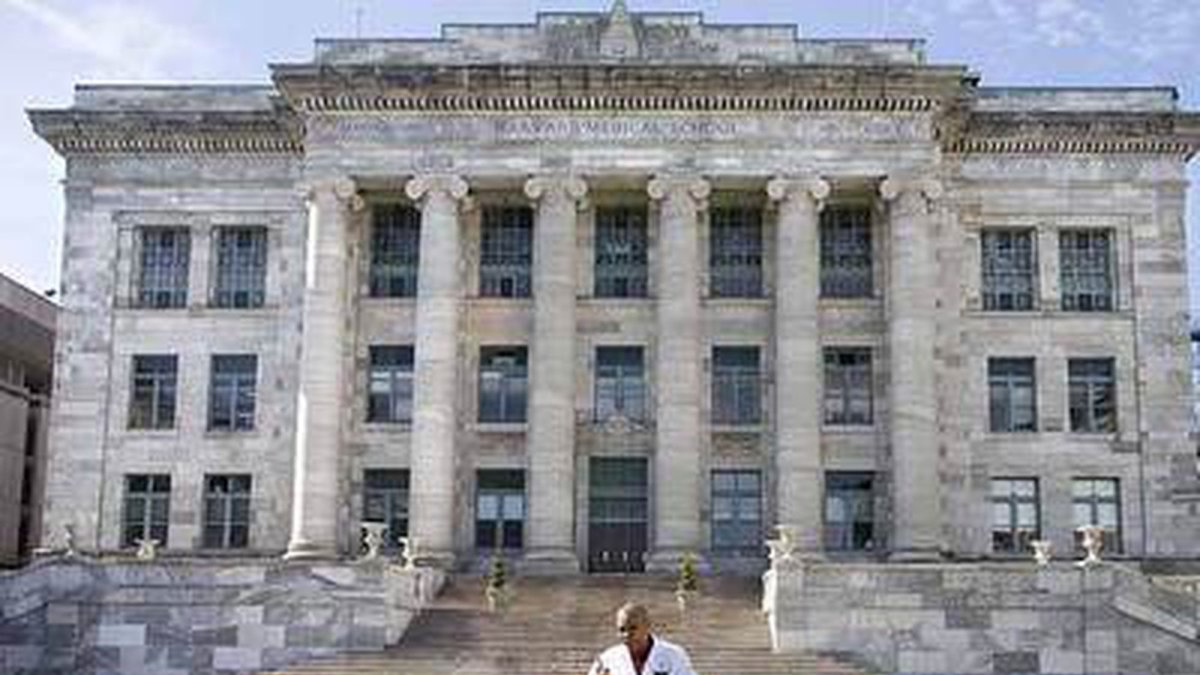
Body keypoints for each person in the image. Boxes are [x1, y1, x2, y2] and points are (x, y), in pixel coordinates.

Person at [588, 602, 697, 675]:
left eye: (633, 628)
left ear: (647, 626)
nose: (627, 635)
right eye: (622, 630)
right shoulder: (607, 659)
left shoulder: (674, 655)